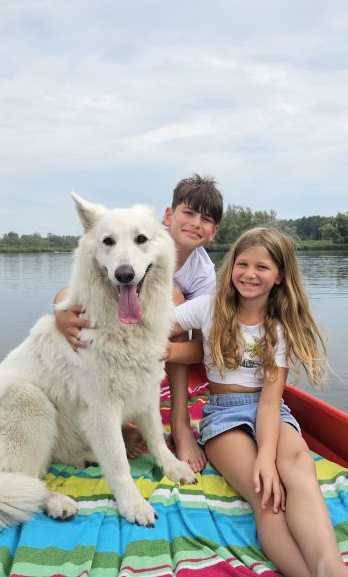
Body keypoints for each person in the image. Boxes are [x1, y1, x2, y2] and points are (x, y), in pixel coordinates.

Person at [167, 227, 348, 577]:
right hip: (223, 417)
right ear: (231, 267)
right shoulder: (208, 307)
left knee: (298, 467)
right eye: (242, 264)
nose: (250, 274)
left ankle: (330, 566)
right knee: (267, 496)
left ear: (280, 275)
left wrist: (268, 457)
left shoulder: (280, 326)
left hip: (269, 410)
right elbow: (152, 327)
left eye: (262, 267)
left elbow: (270, 402)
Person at [53, 174, 223, 471]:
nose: (196, 223)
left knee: (175, 298)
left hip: (160, 341)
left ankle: (180, 423)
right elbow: (74, 290)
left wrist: (163, 350)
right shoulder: (132, 239)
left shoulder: (204, 273)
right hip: (118, 332)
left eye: (205, 219)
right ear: (168, 216)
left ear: (214, 232)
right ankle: (123, 420)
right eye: (189, 212)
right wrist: (60, 313)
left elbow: (205, 341)